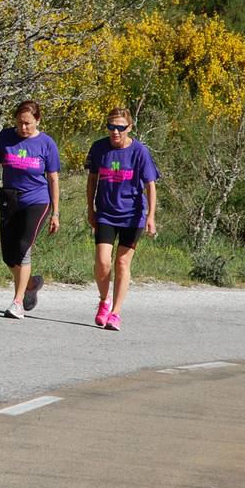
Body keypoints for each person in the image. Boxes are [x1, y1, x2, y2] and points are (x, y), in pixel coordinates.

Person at [0, 100, 61, 319]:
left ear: (38, 121)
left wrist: (56, 212)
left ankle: (17, 302)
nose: (23, 128)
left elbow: (53, 179)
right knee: (8, 255)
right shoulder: (6, 137)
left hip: (37, 200)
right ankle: (31, 284)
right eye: (19, 123)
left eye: (27, 123)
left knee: (23, 246)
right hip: (10, 199)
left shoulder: (46, 144)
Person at [85, 107, 159, 331]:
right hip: (106, 212)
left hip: (132, 215)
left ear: (129, 127)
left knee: (122, 262)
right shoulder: (99, 148)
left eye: (120, 128)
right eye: (111, 127)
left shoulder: (139, 152)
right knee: (103, 261)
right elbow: (92, 180)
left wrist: (150, 216)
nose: (115, 132)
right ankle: (104, 300)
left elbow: (150, 185)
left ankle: (115, 312)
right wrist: (90, 208)